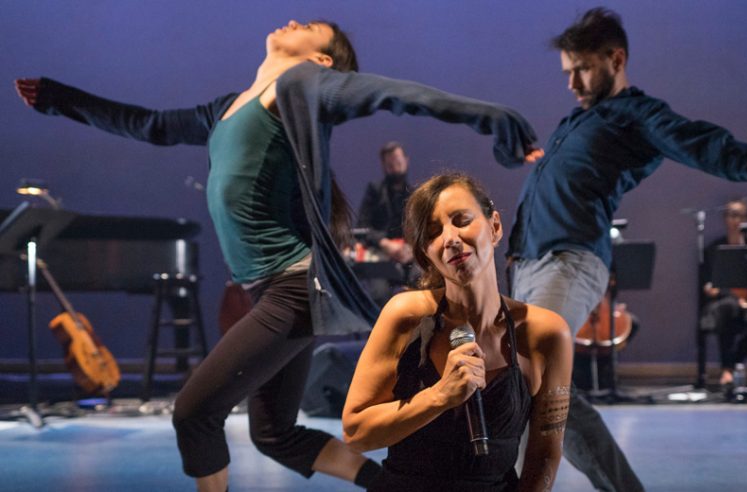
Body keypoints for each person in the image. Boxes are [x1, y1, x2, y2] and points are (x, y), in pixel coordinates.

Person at [15, 19, 542, 492]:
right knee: (274, 434)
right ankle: (388, 486)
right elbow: (148, 125)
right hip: (268, 290)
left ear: (322, 61)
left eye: (311, 25)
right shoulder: (226, 108)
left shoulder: (301, 84)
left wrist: (493, 119)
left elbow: (392, 94)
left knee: (194, 413)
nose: (293, 20)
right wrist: (61, 99)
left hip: (293, 288)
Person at [506, 7, 747, 492]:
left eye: (581, 69)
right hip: (528, 266)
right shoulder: (575, 122)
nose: (572, 83)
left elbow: (718, 149)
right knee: (532, 388)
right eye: (567, 72)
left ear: (615, 58)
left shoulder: (638, 115)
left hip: (570, 260)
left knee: (533, 378)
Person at [342, 173, 571, 491]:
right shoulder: (405, 316)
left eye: (461, 220)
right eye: (434, 232)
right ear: (427, 254)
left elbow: (545, 455)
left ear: (494, 227)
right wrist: (439, 396)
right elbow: (355, 434)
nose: (450, 238)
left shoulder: (547, 333)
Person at [699, 199, 747, 387]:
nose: (736, 220)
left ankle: (736, 364)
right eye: (732, 215)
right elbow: (710, 288)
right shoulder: (714, 250)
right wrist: (734, 297)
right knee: (729, 310)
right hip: (724, 303)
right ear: (725, 219)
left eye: (741, 215)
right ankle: (727, 369)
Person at [355, 141, 415, 305]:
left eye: (398, 163)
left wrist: (410, 248)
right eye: (390, 164)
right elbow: (362, 226)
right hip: (380, 257)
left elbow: (420, 228)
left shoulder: (415, 193)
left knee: (423, 284)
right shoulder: (374, 191)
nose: (395, 168)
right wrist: (384, 243)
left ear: (406, 161)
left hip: (409, 256)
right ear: (384, 166)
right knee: (379, 294)